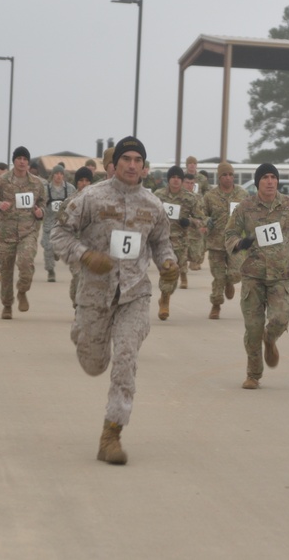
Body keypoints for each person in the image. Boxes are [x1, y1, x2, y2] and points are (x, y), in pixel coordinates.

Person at [51, 136, 177, 465]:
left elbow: (162, 243)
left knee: (125, 358)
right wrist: (85, 255)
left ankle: (112, 434)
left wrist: (168, 262)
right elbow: (58, 234)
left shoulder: (153, 205)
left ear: (144, 167)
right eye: (127, 159)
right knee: (94, 364)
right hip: (95, 293)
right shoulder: (91, 198)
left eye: (138, 160)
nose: (132, 165)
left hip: (135, 294)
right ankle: (82, 332)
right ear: (115, 164)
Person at [225, 163, 289, 390]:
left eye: (273, 177)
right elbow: (229, 233)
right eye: (265, 178)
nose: (270, 181)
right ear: (257, 182)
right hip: (253, 275)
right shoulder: (245, 207)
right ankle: (253, 374)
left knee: (281, 318)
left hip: (280, 275)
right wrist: (239, 243)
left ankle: (270, 339)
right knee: (253, 328)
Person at [0, 146, 47, 319]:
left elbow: (43, 203)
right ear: (14, 161)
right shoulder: (0, 181)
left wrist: (40, 212)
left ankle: (22, 290)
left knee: (26, 263)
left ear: (28, 162)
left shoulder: (37, 183)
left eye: (25, 159)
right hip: (6, 233)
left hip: (28, 232)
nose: (22, 162)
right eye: (19, 158)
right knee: (6, 272)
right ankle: (7, 305)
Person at [154, 166, 205, 318]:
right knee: (167, 270)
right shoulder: (158, 196)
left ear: (182, 180)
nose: (175, 180)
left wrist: (189, 221)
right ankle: (165, 301)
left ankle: (165, 296)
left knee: (174, 273)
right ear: (168, 179)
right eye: (173, 177)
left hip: (181, 242)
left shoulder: (190, 198)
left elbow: (201, 219)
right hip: (162, 241)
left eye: (178, 177)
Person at [202, 162, 249, 319]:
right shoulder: (210, 196)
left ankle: (230, 282)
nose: (228, 178)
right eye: (224, 175)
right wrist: (206, 220)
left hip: (235, 242)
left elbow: (250, 213)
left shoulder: (242, 194)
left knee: (237, 273)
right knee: (218, 276)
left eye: (230, 175)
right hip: (215, 242)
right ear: (219, 177)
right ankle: (216, 305)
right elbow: (201, 213)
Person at [65, 165, 94, 308]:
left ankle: (83, 303)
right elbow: (61, 223)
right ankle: (77, 304)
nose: (84, 183)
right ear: (76, 183)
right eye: (81, 180)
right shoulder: (70, 202)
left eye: (87, 181)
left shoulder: (98, 200)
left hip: (93, 245)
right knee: (78, 275)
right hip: (74, 245)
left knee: (90, 278)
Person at [42, 165, 75, 282]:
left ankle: (57, 251)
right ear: (53, 175)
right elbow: (40, 203)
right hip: (49, 222)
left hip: (63, 223)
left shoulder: (70, 189)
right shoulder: (45, 189)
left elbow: (75, 204)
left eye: (61, 174)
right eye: (56, 173)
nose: (59, 176)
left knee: (60, 247)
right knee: (47, 247)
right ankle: (50, 270)